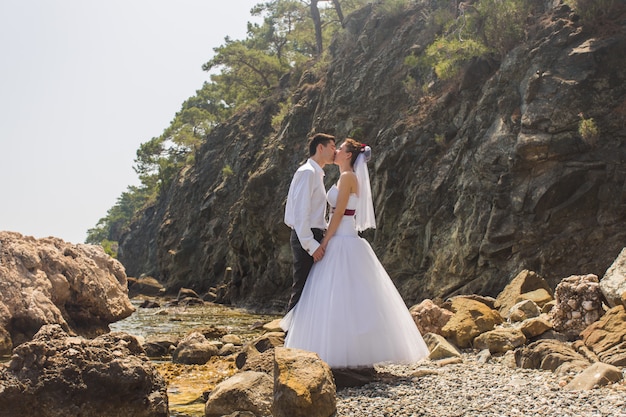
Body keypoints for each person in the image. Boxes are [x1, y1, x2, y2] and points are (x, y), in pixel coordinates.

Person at [281, 138, 429, 369]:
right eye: (334, 147)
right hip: (337, 237)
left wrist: (324, 242)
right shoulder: (327, 175)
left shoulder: (347, 177)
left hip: (341, 238)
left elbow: (338, 214)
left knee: (339, 293)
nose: (336, 151)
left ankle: (337, 350)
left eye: (340, 148)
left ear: (348, 155)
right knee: (333, 293)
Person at [284, 133, 337, 312]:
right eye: (332, 147)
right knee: (301, 288)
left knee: (311, 289)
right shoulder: (308, 172)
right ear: (320, 148)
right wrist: (311, 245)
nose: (335, 151)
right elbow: (300, 212)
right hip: (305, 236)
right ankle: (289, 335)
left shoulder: (316, 173)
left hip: (313, 234)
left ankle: (301, 334)